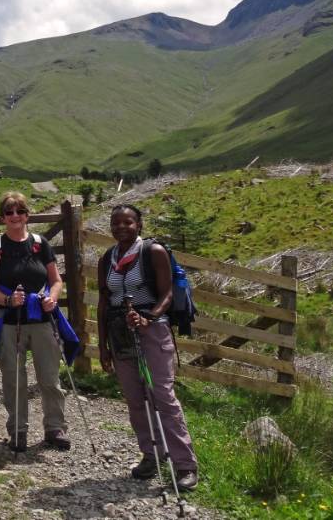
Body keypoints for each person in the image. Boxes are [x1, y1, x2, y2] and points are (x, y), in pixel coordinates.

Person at [97, 204, 198, 491]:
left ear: (139, 225)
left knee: (162, 395)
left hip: (152, 329)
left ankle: (185, 464)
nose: (121, 228)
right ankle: (151, 454)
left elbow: (166, 292)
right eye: (116, 223)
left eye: (127, 222)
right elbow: (104, 301)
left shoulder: (152, 251)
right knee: (134, 397)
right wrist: (103, 345)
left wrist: (148, 317)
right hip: (120, 332)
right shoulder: (108, 259)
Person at [0, 192, 69, 452]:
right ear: (2, 217)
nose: (15, 216)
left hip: (42, 318)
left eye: (20, 211)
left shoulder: (41, 244)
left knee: (50, 377)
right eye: (9, 212)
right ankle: (18, 430)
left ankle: (55, 428)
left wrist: (52, 298)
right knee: (13, 377)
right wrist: (8, 301)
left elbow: (56, 280)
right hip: (10, 320)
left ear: (27, 215)